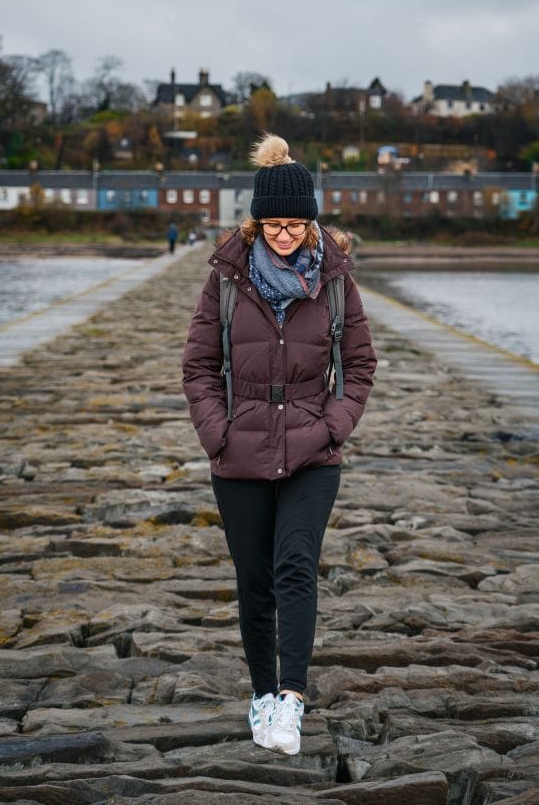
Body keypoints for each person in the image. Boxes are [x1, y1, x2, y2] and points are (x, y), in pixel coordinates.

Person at [182, 133, 376, 755]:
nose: (285, 233)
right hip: (238, 457)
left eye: (296, 223)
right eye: (274, 222)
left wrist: (333, 427)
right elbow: (198, 366)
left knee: (295, 567)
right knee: (254, 581)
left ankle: (291, 699)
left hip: (312, 454)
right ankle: (262, 696)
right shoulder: (228, 279)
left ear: (311, 222)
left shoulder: (337, 281)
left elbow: (362, 365)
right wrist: (218, 433)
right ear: (257, 219)